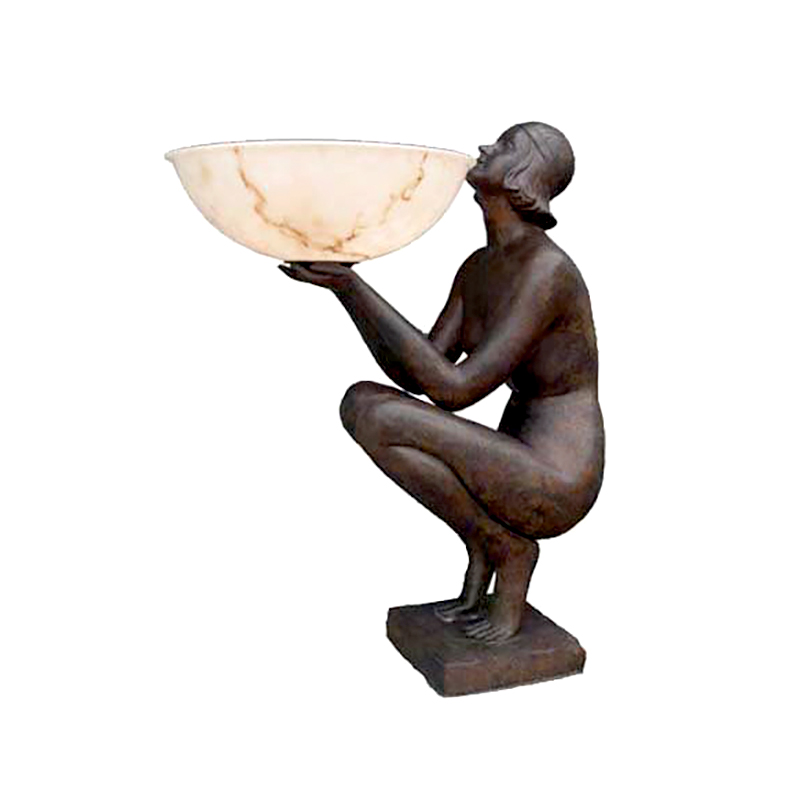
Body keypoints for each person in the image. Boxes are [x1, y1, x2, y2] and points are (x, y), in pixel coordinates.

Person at [279, 122, 604, 644]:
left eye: (506, 145)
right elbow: (416, 372)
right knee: (363, 405)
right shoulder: (479, 267)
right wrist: (345, 289)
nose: (485, 147)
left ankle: (508, 551)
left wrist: (354, 285)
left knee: (377, 413)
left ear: (524, 174)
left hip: (556, 477)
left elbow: (456, 390)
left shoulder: (546, 271)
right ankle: (491, 542)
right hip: (514, 457)